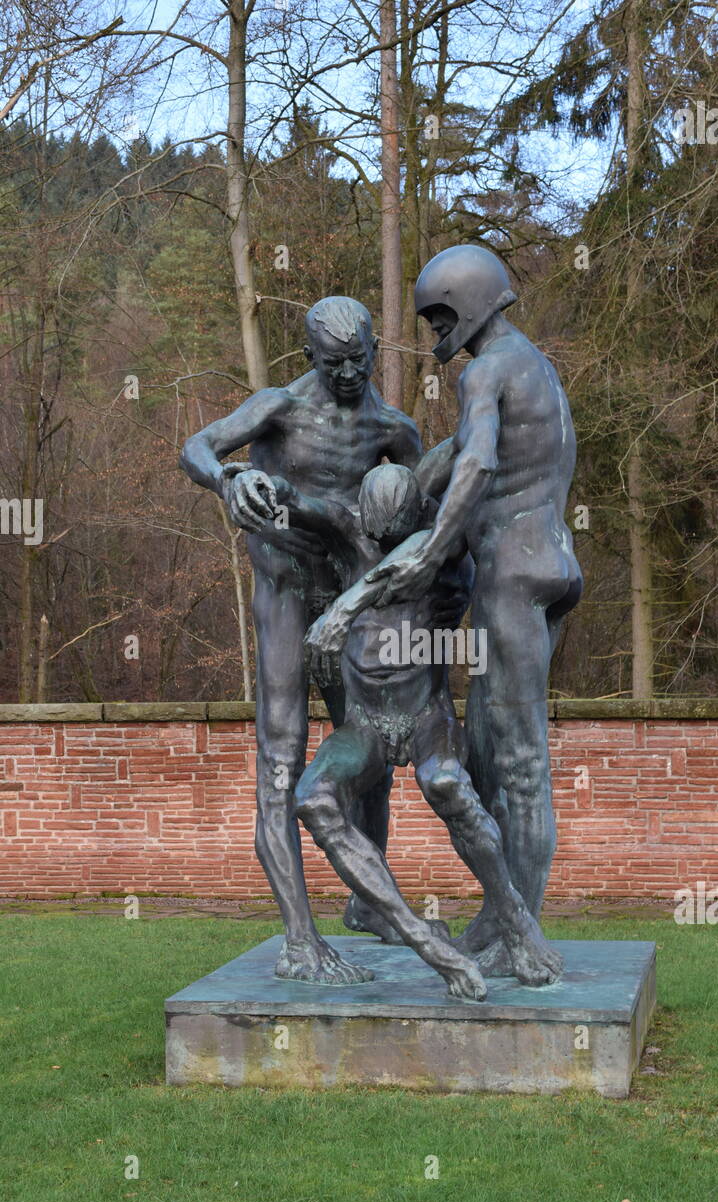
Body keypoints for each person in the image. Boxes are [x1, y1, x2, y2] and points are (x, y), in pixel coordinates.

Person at [179, 297, 422, 983]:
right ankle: (297, 939)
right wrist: (230, 477)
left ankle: (369, 904)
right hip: (285, 592)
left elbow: (424, 506)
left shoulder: (391, 428)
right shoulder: (277, 406)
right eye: (336, 362)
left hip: (351, 602)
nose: (350, 374)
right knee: (281, 757)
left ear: (376, 348)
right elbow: (195, 446)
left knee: (371, 749)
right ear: (311, 355)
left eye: (362, 359)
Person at [371, 245, 583, 970]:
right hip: (550, 566)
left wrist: (429, 554)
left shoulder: (486, 371)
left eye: (440, 319)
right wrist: (385, 491)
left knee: (518, 762)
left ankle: (518, 936)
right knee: (491, 754)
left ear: (472, 302)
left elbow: (479, 463)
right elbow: (452, 457)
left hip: (513, 576)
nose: (436, 339)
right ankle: (500, 924)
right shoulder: (534, 369)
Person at [284, 461, 564, 998]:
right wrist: (259, 485)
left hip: (425, 716)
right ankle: (424, 941)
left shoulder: (439, 547)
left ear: (418, 516)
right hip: (365, 722)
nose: (385, 540)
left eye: (400, 528)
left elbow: (472, 476)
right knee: (312, 798)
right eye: (376, 528)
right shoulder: (348, 535)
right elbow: (302, 504)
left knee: (446, 784)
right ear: (364, 518)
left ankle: (516, 920)